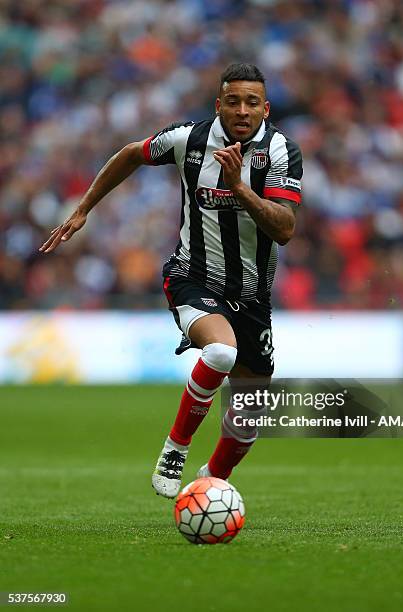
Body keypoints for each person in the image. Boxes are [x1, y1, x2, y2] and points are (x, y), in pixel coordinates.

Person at [39, 63, 303, 498]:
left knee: (249, 418)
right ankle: (175, 448)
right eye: (233, 101)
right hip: (193, 277)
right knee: (219, 352)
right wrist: (85, 207)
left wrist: (239, 187)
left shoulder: (280, 152)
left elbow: (285, 229)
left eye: (251, 102)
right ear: (218, 105)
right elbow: (131, 153)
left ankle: (209, 485)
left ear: (265, 108)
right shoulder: (189, 139)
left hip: (252, 296)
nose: (242, 110)